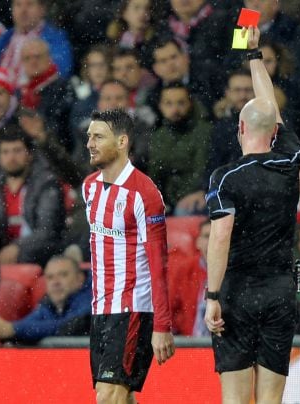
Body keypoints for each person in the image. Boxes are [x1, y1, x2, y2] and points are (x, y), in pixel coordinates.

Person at [204, 27, 300, 403]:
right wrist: (254, 54)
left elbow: (220, 236)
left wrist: (212, 295)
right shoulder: (290, 160)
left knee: (235, 398)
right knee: (271, 400)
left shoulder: (225, 176)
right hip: (280, 290)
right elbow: (271, 110)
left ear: (241, 127)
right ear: (274, 131)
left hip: (238, 292)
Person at [82, 109, 174, 402]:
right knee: (118, 395)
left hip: (133, 306)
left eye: (98, 137)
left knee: (108, 395)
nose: (90, 144)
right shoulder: (89, 187)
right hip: (101, 307)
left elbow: (159, 264)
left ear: (122, 142)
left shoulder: (144, 194)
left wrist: (162, 325)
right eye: (89, 136)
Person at [0, 126, 64, 266]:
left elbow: (47, 231)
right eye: (5, 152)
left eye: (17, 151)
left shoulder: (46, 183)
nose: (11, 157)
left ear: (29, 154)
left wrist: (17, 247)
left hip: (37, 255)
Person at [0, 255, 90, 344]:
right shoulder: (49, 302)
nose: (55, 282)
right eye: (50, 277)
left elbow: (68, 326)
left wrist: (13, 329)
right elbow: (28, 323)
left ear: (80, 278)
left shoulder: (93, 298)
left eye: (63, 275)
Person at [148, 82, 211, 215]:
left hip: (195, 196)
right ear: (160, 106)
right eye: (169, 104)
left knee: (183, 211)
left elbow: (200, 172)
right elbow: (154, 173)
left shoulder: (204, 132)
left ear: (190, 104)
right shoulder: (159, 135)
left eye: (181, 103)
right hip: (166, 199)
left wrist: (177, 200)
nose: (175, 109)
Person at [0, 0, 73, 84]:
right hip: (1, 96)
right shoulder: (3, 38)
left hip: (35, 96)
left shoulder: (56, 38)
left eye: (29, 4)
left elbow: (61, 71)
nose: (23, 11)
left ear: (42, 9)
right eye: (18, 5)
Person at [168, 220, 210, 336]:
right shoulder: (185, 270)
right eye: (207, 236)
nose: (211, 242)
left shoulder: (234, 271)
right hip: (189, 344)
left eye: (216, 236)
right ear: (198, 242)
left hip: (224, 346)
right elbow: (170, 309)